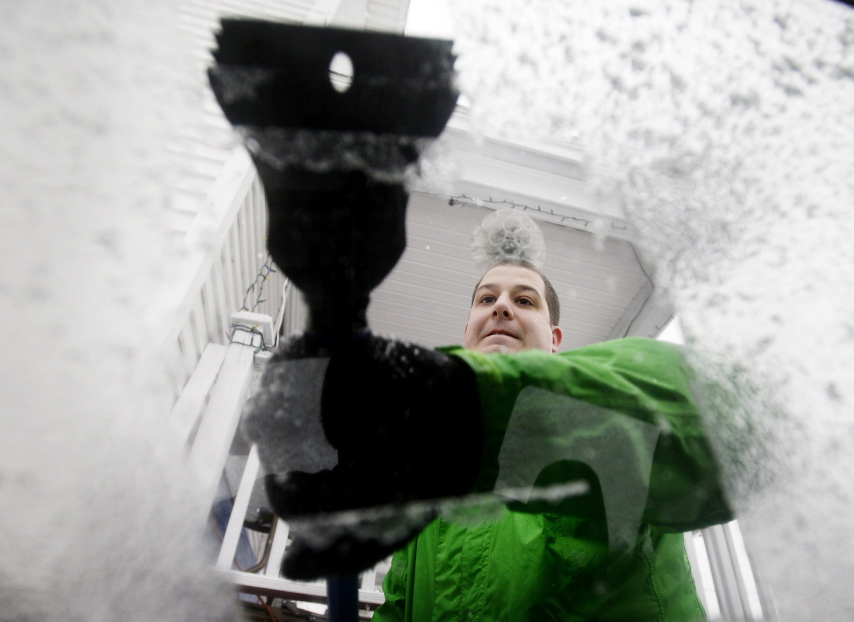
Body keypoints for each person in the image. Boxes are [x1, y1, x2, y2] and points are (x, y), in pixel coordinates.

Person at [243, 238, 731, 622]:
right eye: (486, 299)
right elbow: (399, 608)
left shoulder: (607, 403)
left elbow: (709, 418)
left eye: (525, 300)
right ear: (468, 328)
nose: (501, 308)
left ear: (555, 340)